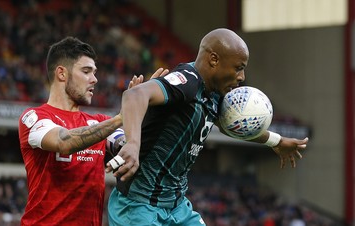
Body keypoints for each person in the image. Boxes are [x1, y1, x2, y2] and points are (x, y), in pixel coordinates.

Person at [105, 28, 309, 225]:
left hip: (176, 207)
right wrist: (132, 143)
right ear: (214, 60)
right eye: (238, 67)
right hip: (138, 206)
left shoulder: (214, 94)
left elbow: (231, 126)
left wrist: (276, 141)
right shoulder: (187, 81)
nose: (242, 77)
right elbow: (135, 94)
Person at [18, 36, 168, 225]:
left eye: (95, 72)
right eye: (86, 71)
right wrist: (122, 118)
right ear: (62, 74)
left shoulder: (99, 122)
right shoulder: (33, 117)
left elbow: (130, 149)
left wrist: (144, 115)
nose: (95, 79)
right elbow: (64, 142)